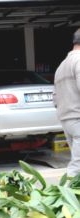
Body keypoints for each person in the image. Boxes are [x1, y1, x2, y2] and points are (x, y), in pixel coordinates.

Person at [54, 28, 80, 178]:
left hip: (67, 119)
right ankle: (69, 196)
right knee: (77, 165)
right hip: (78, 117)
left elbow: (55, 97)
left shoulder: (62, 65)